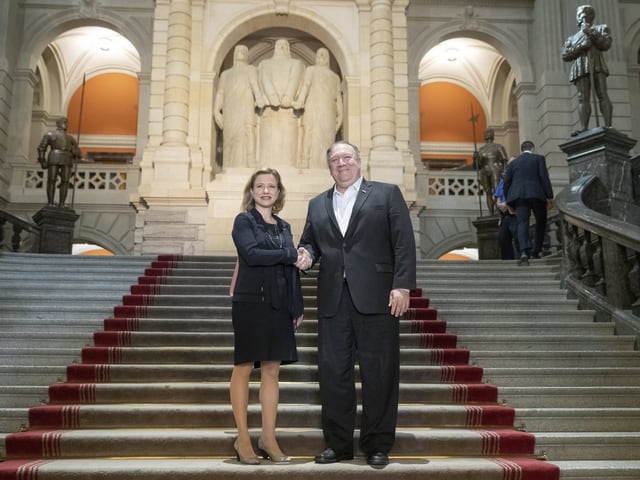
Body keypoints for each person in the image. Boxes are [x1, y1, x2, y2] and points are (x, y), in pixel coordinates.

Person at [296, 141, 416, 468]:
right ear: (329, 167)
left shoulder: (386, 194)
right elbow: (310, 242)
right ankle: (338, 445)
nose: (342, 163)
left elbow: (403, 242)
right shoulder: (317, 204)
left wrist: (402, 285)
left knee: (379, 373)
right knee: (334, 375)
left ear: (359, 162)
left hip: (378, 298)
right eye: (335, 159)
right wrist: (306, 255)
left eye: (347, 157)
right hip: (333, 300)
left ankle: (377, 443)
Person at [229, 168, 304, 465]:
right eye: (259, 186)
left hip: (279, 304)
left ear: (278, 192)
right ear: (251, 191)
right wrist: (289, 254)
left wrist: (296, 306)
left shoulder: (284, 227)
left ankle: (268, 438)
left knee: (272, 370)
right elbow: (251, 254)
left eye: (271, 186)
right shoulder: (243, 221)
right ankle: (243, 438)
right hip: (250, 302)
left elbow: (292, 271)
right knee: (244, 367)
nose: (265, 190)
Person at [561, 4, 613, 135]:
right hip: (580, 67)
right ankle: (584, 127)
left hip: (596, 64)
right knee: (582, 98)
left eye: (586, 14)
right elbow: (565, 55)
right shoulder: (572, 38)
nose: (583, 17)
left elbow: (606, 44)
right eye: (580, 15)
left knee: (602, 94)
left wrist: (591, 33)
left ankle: (608, 125)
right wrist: (580, 47)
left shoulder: (601, 29)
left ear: (592, 16)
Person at [214, 45, 266, 168]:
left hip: (246, 106)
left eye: (244, 51)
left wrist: (259, 98)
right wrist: (216, 110)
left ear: (247, 55)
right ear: (234, 54)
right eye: (238, 51)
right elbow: (221, 92)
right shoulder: (226, 74)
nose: (240, 53)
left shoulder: (250, 69)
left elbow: (255, 85)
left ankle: (250, 161)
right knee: (229, 136)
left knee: (248, 131)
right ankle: (227, 165)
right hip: (230, 108)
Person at [503, 140, 554, 266]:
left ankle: (524, 253)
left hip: (519, 196)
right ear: (532, 149)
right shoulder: (538, 159)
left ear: (521, 150)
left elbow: (506, 183)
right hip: (537, 194)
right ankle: (536, 251)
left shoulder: (513, 164)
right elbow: (544, 177)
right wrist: (549, 196)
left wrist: (508, 201)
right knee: (541, 222)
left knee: (522, 223)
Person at [293, 47, 344, 169]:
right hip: (313, 107)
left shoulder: (335, 77)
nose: (320, 57)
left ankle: (326, 164)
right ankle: (305, 161)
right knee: (309, 133)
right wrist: (299, 102)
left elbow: (338, 97)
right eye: (318, 55)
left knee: (327, 137)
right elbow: (305, 86)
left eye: (323, 55)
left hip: (329, 111)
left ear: (327, 58)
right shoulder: (311, 71)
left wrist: (341, 115)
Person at [257, 39, 305, 166]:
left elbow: (295, 79)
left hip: (289, 110)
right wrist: (272, 96)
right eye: (279, 44)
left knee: (288, 142)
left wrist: (288, 97)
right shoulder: (265, 64)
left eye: (285, 45)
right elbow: (265, 79)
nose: (282, 47)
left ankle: (290, 165)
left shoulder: (296, 64)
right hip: (269, 109)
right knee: (269, 142)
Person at [37, 116, 81, 207]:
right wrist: (42, 160)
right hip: (54, 156)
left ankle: (62, 204)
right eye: (63, 121)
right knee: (51, 180)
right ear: (57, 123)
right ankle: (50, 202)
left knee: (65, 181)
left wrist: (75, 151)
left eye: (66, 122)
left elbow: (78, 153)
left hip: (67, 159)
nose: (65, 123)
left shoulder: (71, 138)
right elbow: (41, 148)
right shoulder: (50, 134)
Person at [473, 128, 508, 216]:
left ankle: (499, 211)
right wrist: (475, 158)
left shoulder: (498, 146)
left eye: (489, 132)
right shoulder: (481, 150)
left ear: (493, 135)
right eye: (486, 133)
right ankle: (491, 212)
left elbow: (504, 160)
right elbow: (477, 166)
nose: (488, 134)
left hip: (495, 168)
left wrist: (504, 171)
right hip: (484, 170)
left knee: (497, 190)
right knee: (488, 192)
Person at [493, 161, 519, 260]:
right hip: (504, 214)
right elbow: (497, 196)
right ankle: (508, 262)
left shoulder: (518, 179)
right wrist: (499, 204)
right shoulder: (503, 180)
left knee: (517, 238)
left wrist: (507, 204)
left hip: (515, 213)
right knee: (503, 239)